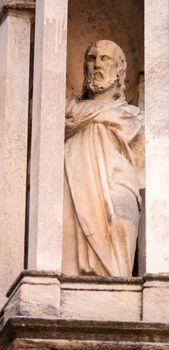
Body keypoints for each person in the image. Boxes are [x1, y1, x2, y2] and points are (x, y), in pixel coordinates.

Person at [63, 40, 143, 277]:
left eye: (105, 58)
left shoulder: (133, 115)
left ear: (119, 69)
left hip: (119, 184)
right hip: (76, 185)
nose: (97, 64)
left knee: (121, 227)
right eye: (91, 58)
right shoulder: (67, 110)